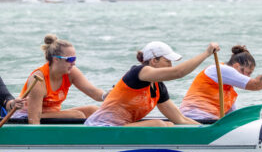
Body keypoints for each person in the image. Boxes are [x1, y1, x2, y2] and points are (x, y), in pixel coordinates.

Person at [85, 41, 220, 127]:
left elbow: (180, 119)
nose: (171, 65)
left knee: (170, 125)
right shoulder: (139, 72)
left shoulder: (158, 87)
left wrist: (206, 130)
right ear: (154, 61)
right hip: (101, 127)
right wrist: (206, 53)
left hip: (122, 129)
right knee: (159, 125)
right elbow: (178, 72)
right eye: (167, 61)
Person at [180, 45, 262, 121]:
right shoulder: (220, 69)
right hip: (195, 120)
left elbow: (232, 118)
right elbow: (256, 84)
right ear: (236, 66)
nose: (247, 77)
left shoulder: (228, 91)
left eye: (250, 75)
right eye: (247, 72)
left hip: (207, 122)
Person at [14, 34, 106, 124]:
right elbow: (33, 119)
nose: (73, 63)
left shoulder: (71, 72)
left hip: (49, 115)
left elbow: (94, 93)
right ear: (56, 60)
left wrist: (106, 96)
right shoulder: (39, 79)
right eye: (70, 59)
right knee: (77, 116)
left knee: (94, 111)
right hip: (27, 117)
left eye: (74, 59)